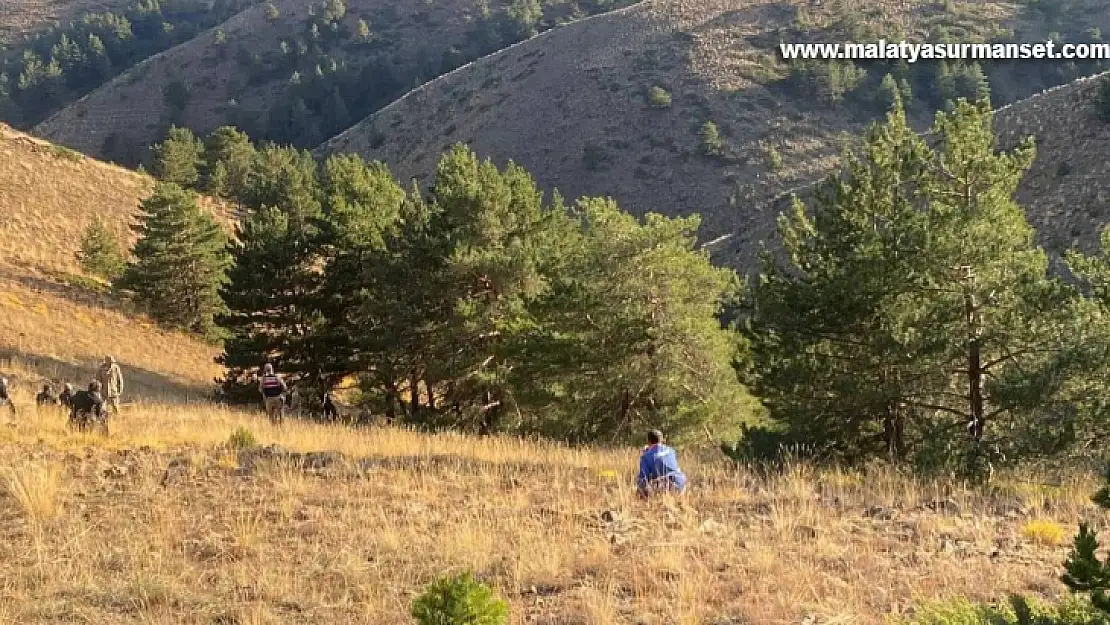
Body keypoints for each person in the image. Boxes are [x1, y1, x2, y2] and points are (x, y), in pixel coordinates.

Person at [636, 429, 687, 498]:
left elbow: (643, 479)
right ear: (661, 439)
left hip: (663, 488)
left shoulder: (646, 456)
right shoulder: (671, 450)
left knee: (642, 489)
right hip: (680, 484)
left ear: (649, 441)